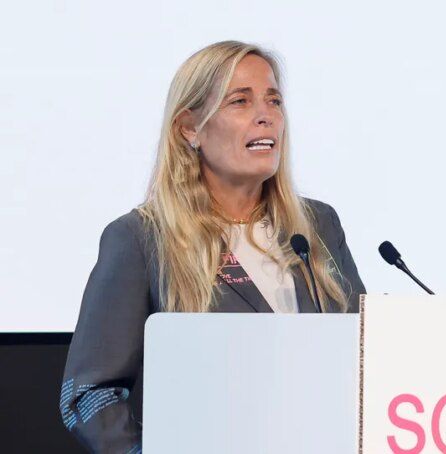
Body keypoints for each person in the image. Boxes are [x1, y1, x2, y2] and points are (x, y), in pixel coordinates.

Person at [59, 40, 365, 453]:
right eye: (240, 101)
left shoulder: (317, 226)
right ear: (190, 128)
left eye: (274, 101)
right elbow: (88, 394)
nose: (266, 116)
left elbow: (365, 358)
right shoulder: (141, 238)